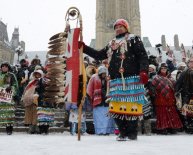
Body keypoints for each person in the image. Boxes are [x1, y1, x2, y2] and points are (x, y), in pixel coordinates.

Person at [79, 19, 149, 140]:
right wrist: (84, 48)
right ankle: (122, 132)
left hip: (131, 79)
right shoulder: (112, 43)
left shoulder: (134, 39)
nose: (118, 29)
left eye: (121, 27)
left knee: (131, 107)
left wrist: (143, 71)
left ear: (126, 28)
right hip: (115, 81)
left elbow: (142, 56)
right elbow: (99, 55)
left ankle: (132, 133)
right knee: (116, 108)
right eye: (116, 27)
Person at [151, 63, 183, 134]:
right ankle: (163, 128)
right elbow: (153, 89)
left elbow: (175, 88)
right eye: (162, 69)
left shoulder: (171, 78)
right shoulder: (156, 78)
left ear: (167, 69)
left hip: (170, 99)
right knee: (162, 113)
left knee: (171, 113)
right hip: (160, 98)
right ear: (160, 69)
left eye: (165, 69)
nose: (163, 70)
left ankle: (171, 127)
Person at [87, 65, 115, 135]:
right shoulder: (94, 78)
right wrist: (91, 98)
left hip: (107, 102)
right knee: (99, 119)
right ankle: (100, 131)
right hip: (97, 102)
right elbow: (89, 89)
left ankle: (107, 131)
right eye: (102, 73)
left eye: (105, 73)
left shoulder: (109, 79)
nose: (104, 75)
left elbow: (113, 88)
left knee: (108, 118)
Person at [175, 57, 193, 133]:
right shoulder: (184, 72)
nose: (192, 63)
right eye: (191, 62)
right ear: (188, 63)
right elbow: (178, 83)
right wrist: (177, 92)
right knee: (188, 113)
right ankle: (189, 127)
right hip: (187, 95)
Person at [0, 62, 18, 135]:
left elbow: (15, 85)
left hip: (8, 97)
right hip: (0, 97)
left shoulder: (11, 75)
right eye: (2, 66)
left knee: (9, 113)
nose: (4, 68)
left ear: (8, 67)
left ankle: (9, 129)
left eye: (5, 66)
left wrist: (11, 88)